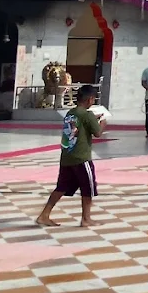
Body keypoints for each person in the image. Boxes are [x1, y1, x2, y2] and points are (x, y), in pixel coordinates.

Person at [36, 84, 105, 227]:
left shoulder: (70, 113)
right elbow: (98, 133)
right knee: (88, 188)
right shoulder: (87, 115)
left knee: (61, 187)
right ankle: (86, 218)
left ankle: (44, 215)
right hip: (82, 158)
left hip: (67, 156)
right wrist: (103, 122)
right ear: (90, 99)